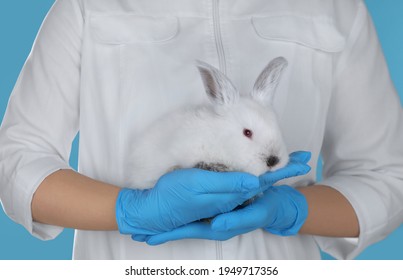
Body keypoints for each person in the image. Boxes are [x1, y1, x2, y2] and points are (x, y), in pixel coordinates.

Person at [0, 0, 402, 260]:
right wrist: (128, 211)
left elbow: (387, 177)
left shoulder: (335, 8)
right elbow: (17, 159)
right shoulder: (86, 6)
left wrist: (292, 211)